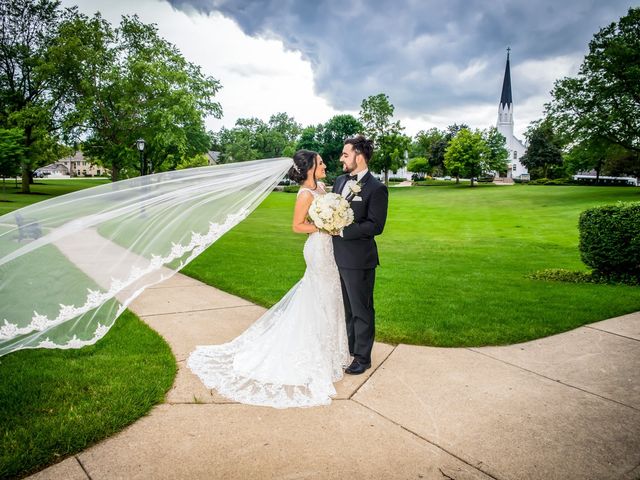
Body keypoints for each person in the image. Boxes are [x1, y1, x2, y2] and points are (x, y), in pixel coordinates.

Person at [187, 149, 350, 408]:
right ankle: (315, 353)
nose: (324, 165)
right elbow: (297, 226)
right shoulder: (305, 194)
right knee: (320, 295)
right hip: (317, 249)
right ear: (309, 167)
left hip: (329, 248)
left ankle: (331, 352)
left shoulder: (321, 187)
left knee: (330, 296)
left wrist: (335, 219)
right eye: (320, 163)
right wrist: (325, 226)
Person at [331, 135, 388, 375]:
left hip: (359, 260)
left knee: (361, 309)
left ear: (359, 156)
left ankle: (362, 358)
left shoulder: (377, 188)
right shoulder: (340, 181)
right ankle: (351, 350)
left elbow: (375, 225)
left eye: (345, 154)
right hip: (336, 257)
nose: (342, 159)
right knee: (346, 309)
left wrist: (343, 229)